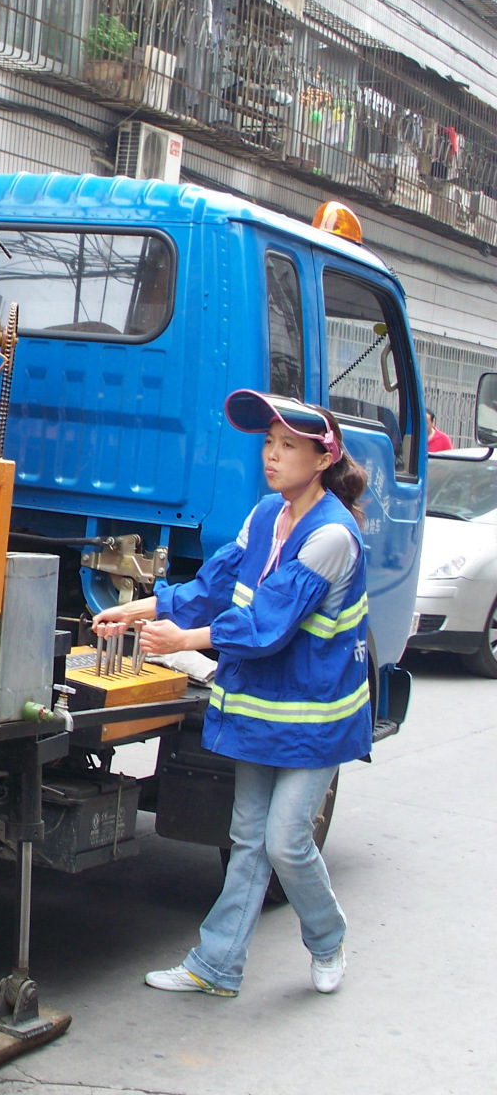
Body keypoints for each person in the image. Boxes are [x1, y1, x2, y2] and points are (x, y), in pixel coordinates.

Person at [94, 391, 371, 999]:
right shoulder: (263, 517)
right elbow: (213, 586)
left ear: (323, 459)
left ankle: (327, 939)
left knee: (287, 841)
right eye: (269, 443)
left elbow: (268, 625)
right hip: (260, 708)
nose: (272, 456)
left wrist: (184, 639)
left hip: (315, 716)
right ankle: (217, 966)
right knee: (247, 838)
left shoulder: (333, 536)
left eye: (288, 447)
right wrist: (138, 610)